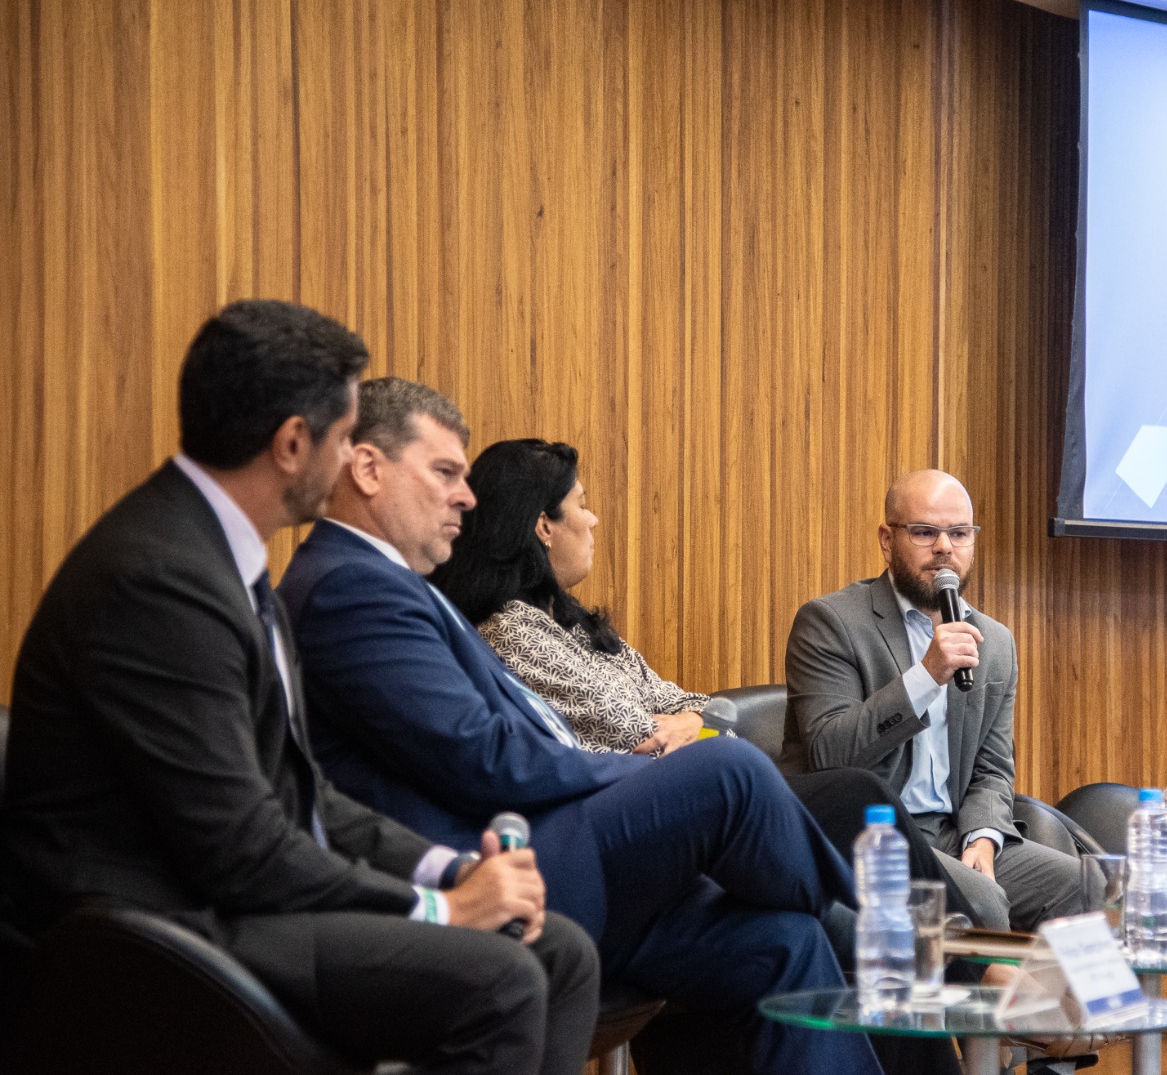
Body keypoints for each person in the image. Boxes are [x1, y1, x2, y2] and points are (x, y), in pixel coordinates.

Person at [0, 301, 598, 1075]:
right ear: (291, 444)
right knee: (502, 979)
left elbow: (299, 793)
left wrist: (448, 870)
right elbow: (241, 848)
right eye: (347, 436)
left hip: (215, 898)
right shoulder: (160, 579)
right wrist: (442, 912)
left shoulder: (223, 559)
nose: (355, 457)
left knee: (558, 952)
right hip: (146, 931)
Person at [277, 378, 882, 1075]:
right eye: (445, 472)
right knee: (728, 774)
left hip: (561, 846)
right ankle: (889, 938)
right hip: (489, 869)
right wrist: (640, 769)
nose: (465, 498)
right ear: (368, 469)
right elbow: (481, 758)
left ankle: (871, 934)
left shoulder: (396, 584)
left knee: (784, 939)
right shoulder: (349, 588)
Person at [427, 437, 970, 916]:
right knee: (852, 793)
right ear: (544, 525)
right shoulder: (511, 631)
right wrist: (693, 725)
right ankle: (977, 966)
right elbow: (638, 734)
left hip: (698, 793)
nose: (593, 521)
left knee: (847, 839)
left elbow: (696, 706)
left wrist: (692, 720)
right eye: (582, 506)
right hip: (641, 818)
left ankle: (962, 966)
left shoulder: (569, 622)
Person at [785, 470, 1099, 933]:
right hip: (872, 837)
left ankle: (1040, 1007)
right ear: (887, 540)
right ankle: (985, 1002)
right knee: (984, 904)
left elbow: (993, 769)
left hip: (952, 833)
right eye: (925, 532)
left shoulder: (992, 641)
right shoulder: (831, 622)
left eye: (958, 533)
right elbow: (827, 753)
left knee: (1091, 889)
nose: (944, 548)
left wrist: (984, 838)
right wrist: (927, 676)